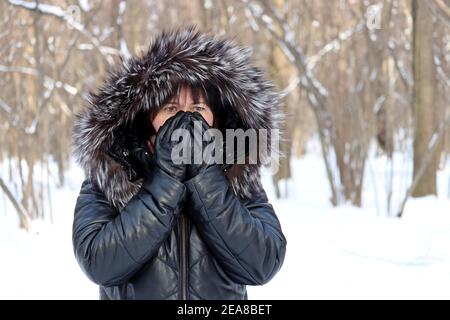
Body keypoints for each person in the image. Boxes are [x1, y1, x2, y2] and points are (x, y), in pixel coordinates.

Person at [71, 25, 287, 300]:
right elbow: (98, 263)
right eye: (170, 109)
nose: (186, 121)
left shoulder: (237, 175)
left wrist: (205, 175)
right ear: (147, 119)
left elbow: (263, 264)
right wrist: (166, 180)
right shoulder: (113, 172)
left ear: (217, 120)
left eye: (198, 109)